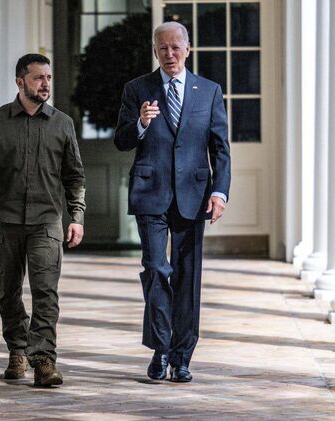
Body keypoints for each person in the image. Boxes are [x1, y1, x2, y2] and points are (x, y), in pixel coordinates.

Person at [114, 21, 231, 383]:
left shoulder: (209, 91)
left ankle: (181, 357)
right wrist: (140, 123)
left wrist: (219, 192)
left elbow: (220, 148)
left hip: (194, 196)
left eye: (176, 47)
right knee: (155, 270)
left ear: (188, 50)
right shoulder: (137, 89)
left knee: (187, 277)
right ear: (155, 51)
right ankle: (160, 348)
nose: (169, 54)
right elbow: (121, 140)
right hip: (150, 193)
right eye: (162, 48)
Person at [0, 53, 86, 387]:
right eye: (38, 78)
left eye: (48, 77)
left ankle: (44, 360)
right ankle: (17, 349)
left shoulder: (62, 124)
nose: (45, 84)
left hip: (46, 221)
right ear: (20, 82)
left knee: (45, 292)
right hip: (4, 221)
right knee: (7, 292)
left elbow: (74, 176)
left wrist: (76, 216)